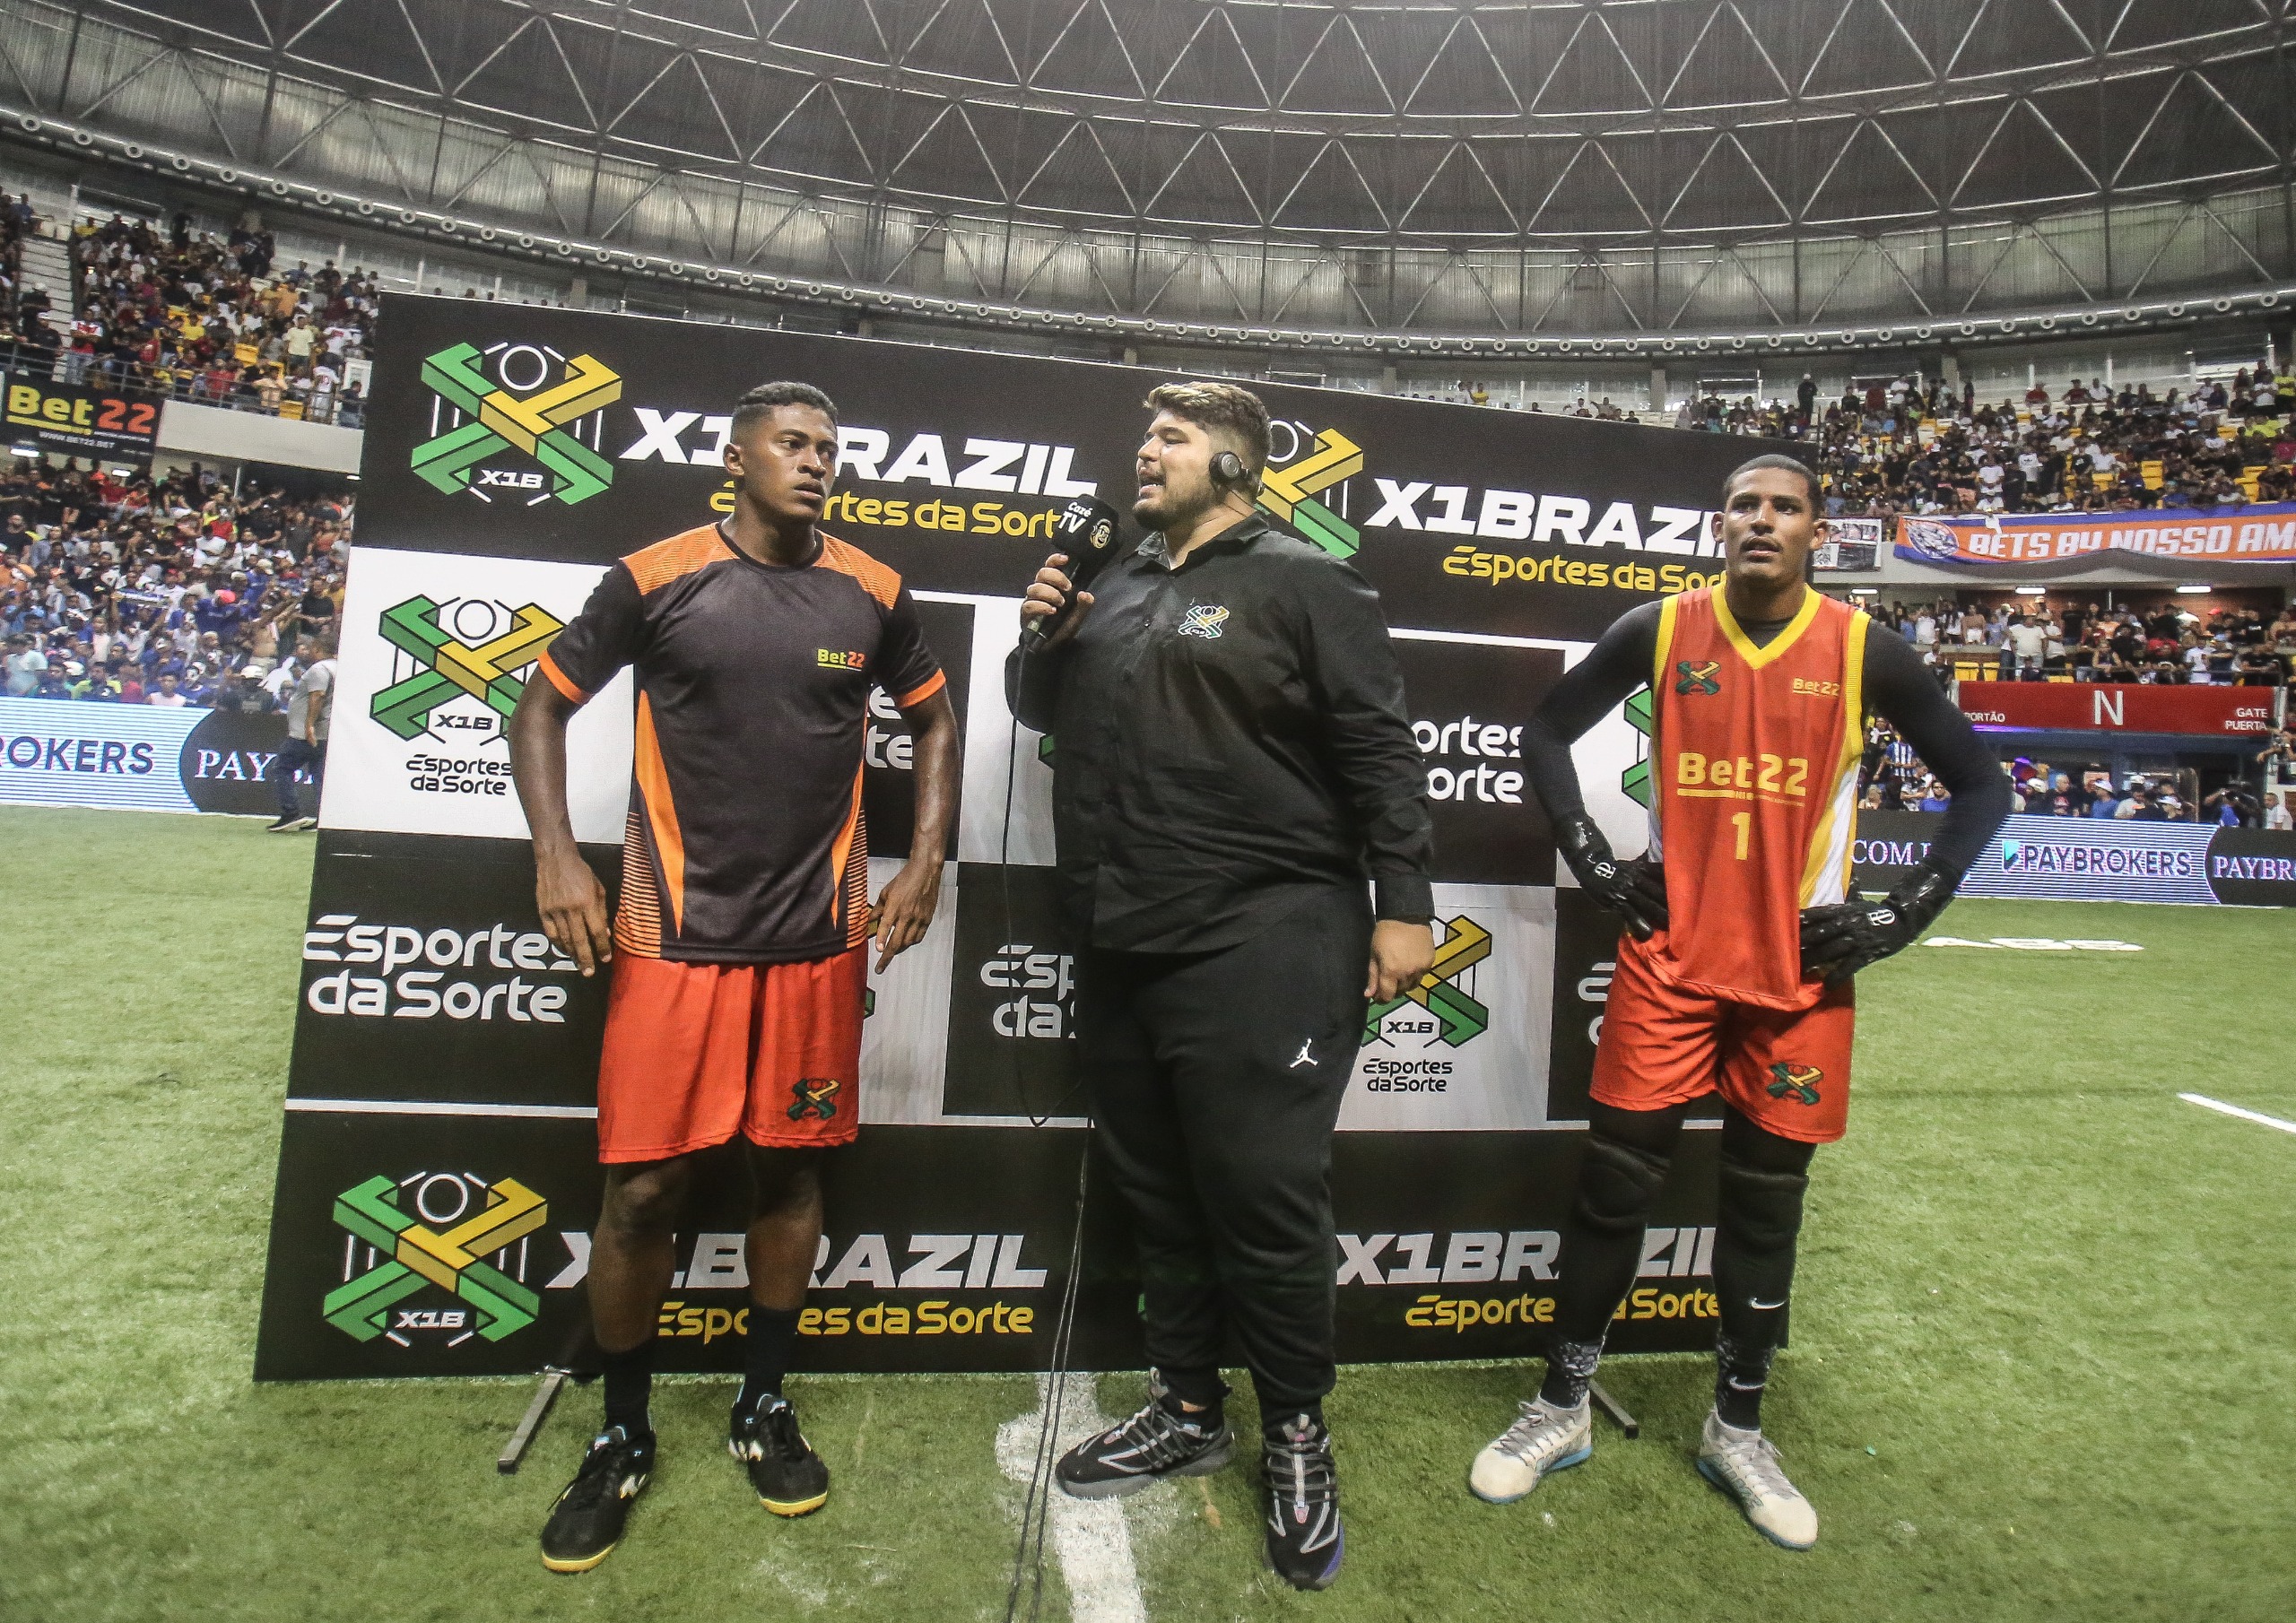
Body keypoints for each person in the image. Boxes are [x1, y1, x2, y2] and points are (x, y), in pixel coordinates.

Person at [1465, 454, 2010, 1549]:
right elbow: (1544, 732)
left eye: (1785, 507)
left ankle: (1737, 1428)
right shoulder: (1660, 628)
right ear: (1719, 525)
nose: (1762, 520)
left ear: (1817, 530)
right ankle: (1560, 1404)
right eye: (1744, 506)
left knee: (1765, 1204)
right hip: (1670, 962)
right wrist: (1594, 860)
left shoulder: (1862, 647)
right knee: (1612, 1189)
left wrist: (1903, 913)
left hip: (1798, 977)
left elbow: (1981, 786)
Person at [508, 381, 958, 1575]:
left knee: (790, 1170)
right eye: (793, 443)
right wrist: (556, 855)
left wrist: (926, 860)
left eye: (830, 447)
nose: (816, 462)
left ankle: (762, 1401)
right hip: (672, 937)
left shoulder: (872, 590)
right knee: (643, 1194)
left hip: (818, 941)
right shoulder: (655, 576)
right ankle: (621, 1431)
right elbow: (539, 707)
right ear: (736, 456)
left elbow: (934, 717)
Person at [1009, 381, 1434, 1592]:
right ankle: (1188, 1404)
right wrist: (1044, 634)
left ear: (1236, 465)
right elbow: (1042, 711)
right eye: (1143, 435)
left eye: (1173, 438)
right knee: (1157, 1191)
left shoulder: (1306, 580)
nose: (1145, 453)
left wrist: (1404, 902)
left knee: (1262, 1194)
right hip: (1120, 933)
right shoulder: (1114, 578)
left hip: (1265, 933)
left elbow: (1378, 745)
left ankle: (1295, 1428)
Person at [266, 630, 334, 830]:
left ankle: (291, 812)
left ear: (318, 648)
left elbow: (318, 695)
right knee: (319, 774)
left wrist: (309, 725)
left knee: (282, 768)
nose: (309, 652)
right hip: (328, 731)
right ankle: (325, 818)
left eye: (311, 648)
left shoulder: (320, 669)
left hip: (306, 733)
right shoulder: (339, 668)